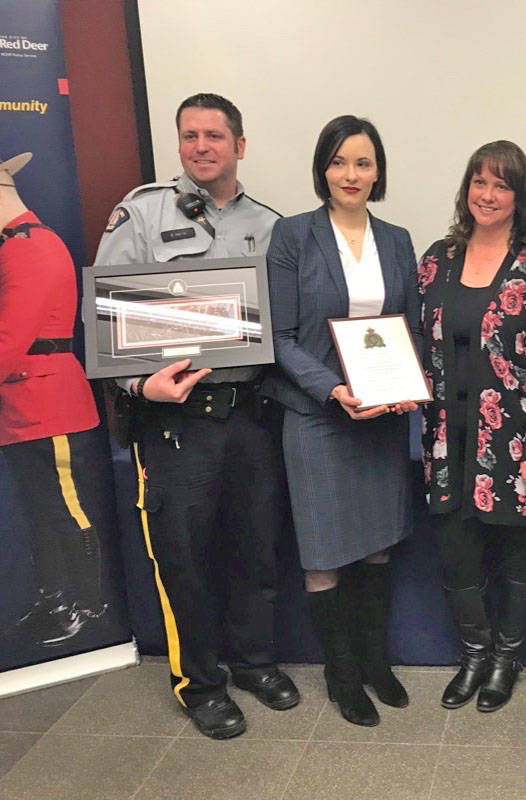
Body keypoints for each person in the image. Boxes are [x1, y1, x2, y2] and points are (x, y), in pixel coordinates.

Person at [94, 93, 299, 739]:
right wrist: (139, 384)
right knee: (184, 559)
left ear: (240, 145)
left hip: (249, 417)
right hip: (175, 424)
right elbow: (104, 319)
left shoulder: (271, 226)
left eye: (215, 135)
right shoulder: (142, 212)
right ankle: (200, 683)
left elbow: (286, 325)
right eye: (190, 136)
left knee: (256, 553)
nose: (201, 146)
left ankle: (254, 664)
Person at [265, 115, 418, 726]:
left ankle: (376, 662)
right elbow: (278, 337)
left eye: (363, 163)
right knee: (325, 552)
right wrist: (332, 388)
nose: (350, 175)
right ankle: (342, 673)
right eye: (338, 162)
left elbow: (405, 330)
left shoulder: (400, 239)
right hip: (317, 417)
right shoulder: (293, 236)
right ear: (321, 168)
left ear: (378, 172)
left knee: (378, 547)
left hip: (381, 419)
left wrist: (407, 387)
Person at [418, 141, 526, 712]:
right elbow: (413, 340)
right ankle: (474, 655)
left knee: (518, 555)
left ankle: (507, 660)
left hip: (516, 441)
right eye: (479, 182)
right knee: (456, 553)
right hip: (446, 439)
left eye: (501, 185)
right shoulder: (437, 258)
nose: (488, 195)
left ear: (520, 197)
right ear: (467, 190)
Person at [0, 152, 111, 646]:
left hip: (46, 405)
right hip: (25, 407)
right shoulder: (18, 245)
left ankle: (87, 604)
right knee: (41, 511)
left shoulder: (28, 247)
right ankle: (56, 598)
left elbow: (10, 337)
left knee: (67, 510)